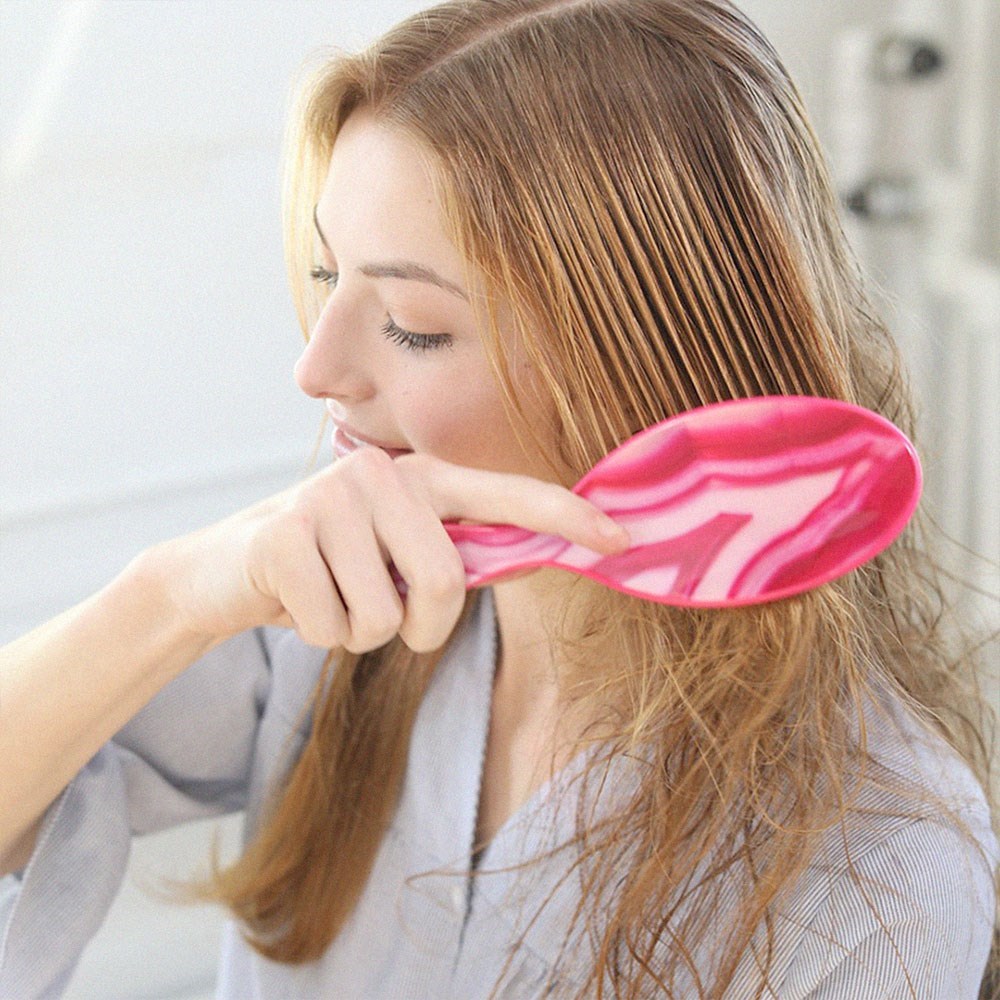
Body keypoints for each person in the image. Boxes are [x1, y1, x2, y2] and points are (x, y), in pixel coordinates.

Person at [1, 0, 996, 996]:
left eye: (411, 322)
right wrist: (167, 597)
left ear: (643, 370)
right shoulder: (329, 604)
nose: (316, 368)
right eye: (326, 275)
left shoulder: (884, 870)